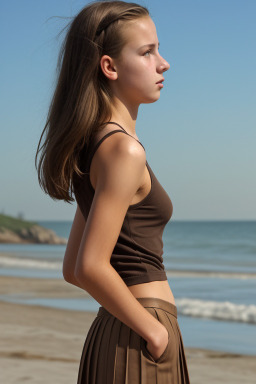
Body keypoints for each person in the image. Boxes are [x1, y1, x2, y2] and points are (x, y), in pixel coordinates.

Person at [35, 1, 191, 383]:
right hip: (141, 332)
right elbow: (88, 267)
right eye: (147, 51)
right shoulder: (124, 151)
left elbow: (73, 267)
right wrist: (155, 333)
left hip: (114, 328)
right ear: (109, 66)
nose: (163, 63)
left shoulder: (93, 147)